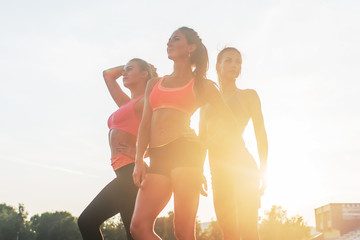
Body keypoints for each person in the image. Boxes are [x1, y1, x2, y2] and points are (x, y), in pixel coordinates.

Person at [130, 27, 236, 240]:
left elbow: (230, 122)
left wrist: (203, 140)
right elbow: (144, 125)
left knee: (183, 231)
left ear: (191, 47)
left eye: (175, 39)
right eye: (168, 39)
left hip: (185, 154)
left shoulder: (202, 85)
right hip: (158, 158)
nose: (168, 43)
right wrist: (138, 160)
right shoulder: (154, 83)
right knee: (138, 227)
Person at [78, 58, 156, 240]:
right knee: (134, 234)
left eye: (130, 69)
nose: (125, 74)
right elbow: (107, 75)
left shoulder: (145, 102)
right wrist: (131, 67)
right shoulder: (126, 102)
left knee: (87, 221)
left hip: (132, 173)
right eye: (125, 70)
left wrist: (140, 155)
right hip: (123, 172)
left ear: (144, 74)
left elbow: (162, 133)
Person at [199, 47, 268, 240]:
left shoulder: (249, 96)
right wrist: (198, 171)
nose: (234, 65)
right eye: (228, 60)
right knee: (228, 233)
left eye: (238, 62)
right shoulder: (205, 104)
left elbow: (261, 135)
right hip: (217, 172)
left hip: (243, 168)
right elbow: (201, 141)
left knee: (248, 232)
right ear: (218, 66)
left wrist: (264, 170)